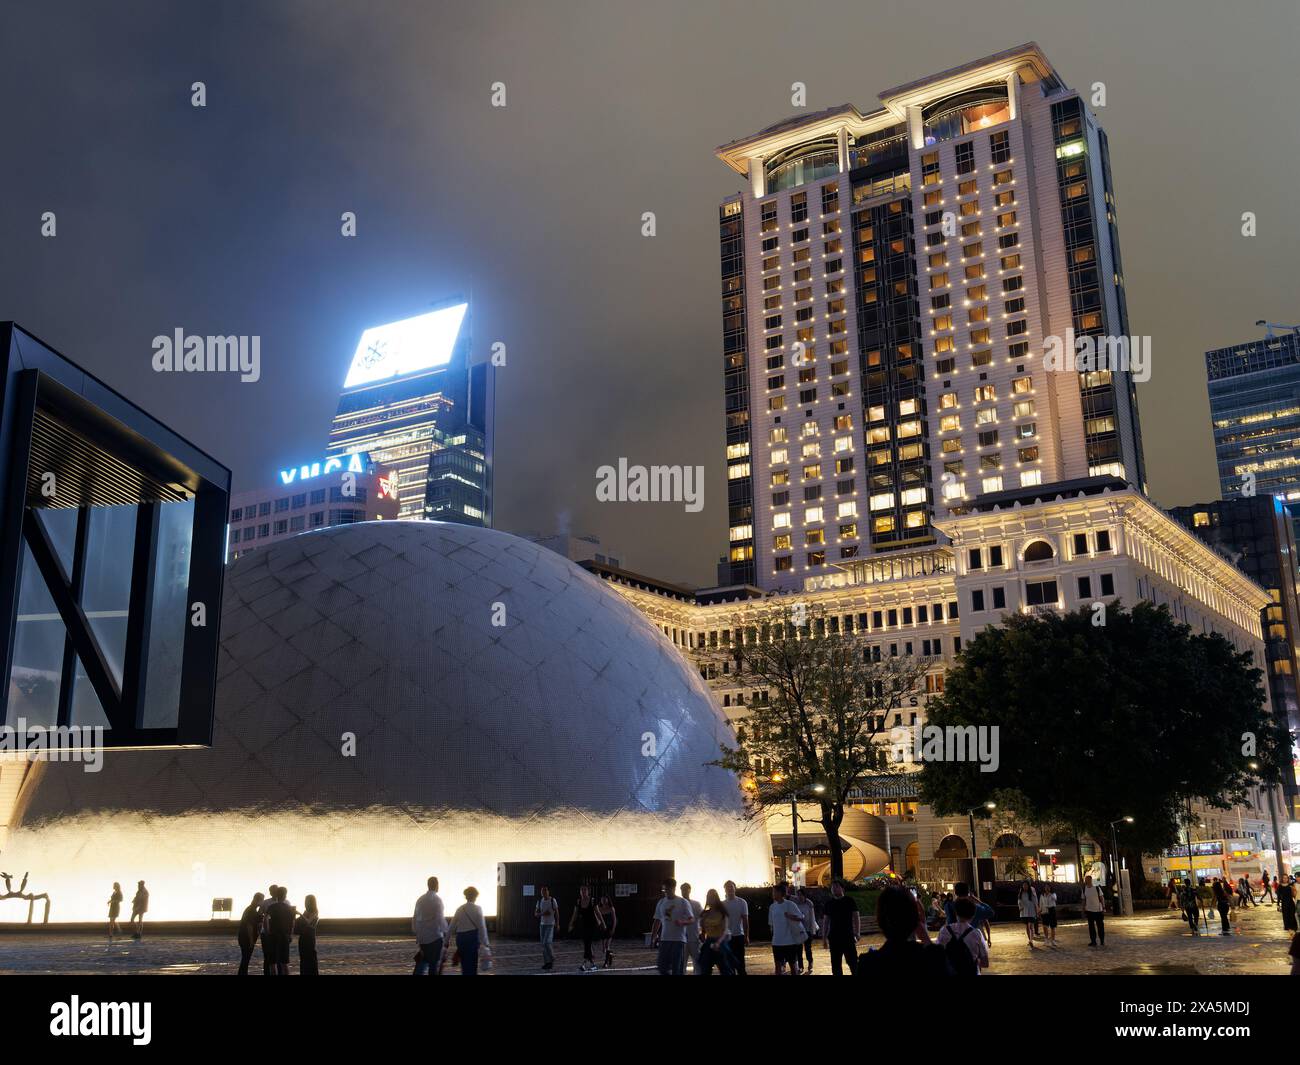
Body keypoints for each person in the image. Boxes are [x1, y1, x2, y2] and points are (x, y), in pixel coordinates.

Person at [855, 886, 952, 978]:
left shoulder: (868, 964)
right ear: (914, 919)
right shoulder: (933, 958)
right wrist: (926, 939)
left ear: (880, 920)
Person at [936, 897, 989, 975]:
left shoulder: (944, 930)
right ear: (973, 915)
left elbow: (937, 957)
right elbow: (985, 963)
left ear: (956, 913)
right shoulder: (977, 934)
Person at [651, 878, 693, 975]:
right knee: (662, 967)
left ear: (674, 888)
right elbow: (657, 920)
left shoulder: (683, 902)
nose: (666, 892)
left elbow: (692, 919)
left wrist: (682, 922)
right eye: (664, 890)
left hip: (678, 940)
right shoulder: (661, 902)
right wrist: (653, 938)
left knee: (676, 968)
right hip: (664, 939)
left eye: (668, 889)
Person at [449, 886, 491, 975]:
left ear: (466, 896)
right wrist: (486, 944)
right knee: (472, 964)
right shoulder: (478, 909)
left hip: (460, 939)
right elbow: (482, 928)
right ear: (475, 896)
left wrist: (446, 942)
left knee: (464, 964)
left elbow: (451, 926)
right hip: (472, 939)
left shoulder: (460, 909)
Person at [767, 883, 807, 976]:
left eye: (774, 892)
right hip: (776, 942)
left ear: (781, 893)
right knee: (777, 966)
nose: (773, 894)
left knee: (793, 965)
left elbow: (801, 917)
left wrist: (790, 916)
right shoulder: (772, 907)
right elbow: (771, 924)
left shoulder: (790, 904)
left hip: (790, 941)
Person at [822, 880, 860, 976]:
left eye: (836, 886)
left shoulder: (849, 901)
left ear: (842, 888)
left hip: (848, 936)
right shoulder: (829, 904)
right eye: (832, 887)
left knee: (853, 963)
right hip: (834, 938)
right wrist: (824, 938)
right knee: (836, 965)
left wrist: (857, 932)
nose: (834, 889)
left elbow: (856, 917)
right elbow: (826, 921)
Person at [412, 876, 447, 975]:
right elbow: (440, 919)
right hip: (435, 937)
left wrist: (417, 934)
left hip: (423, 938)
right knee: (433, 965)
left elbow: (415, 918)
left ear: (428, 885)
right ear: (436, 885)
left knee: (422, 962)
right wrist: (446, 932)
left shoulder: (420, 900)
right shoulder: (437, 900)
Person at [696, 889, 733, 975]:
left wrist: (718, 943)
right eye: (708, 898)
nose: (710, 900)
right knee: (705, 968)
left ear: (716, 899)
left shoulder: (722, 913)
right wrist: (702, 935)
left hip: (720, 942)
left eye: (712, 898)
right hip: (709, 942)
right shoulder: (705, 914)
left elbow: (725, 931)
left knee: (725, 969)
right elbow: (703, 930)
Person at [569, 884, 603, 972]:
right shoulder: (578, 901)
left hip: (592, 925)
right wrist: (571, 924)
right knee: (586, 944)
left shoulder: (592, 901)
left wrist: (603, 923)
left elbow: (598, 913)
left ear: (588, 891)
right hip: (583, 926)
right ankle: (592, 964)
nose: (583, 892)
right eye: (581, 890)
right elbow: (575, 913)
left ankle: (584, 964)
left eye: (585, 890)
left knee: (587, 944)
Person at [265, 886, 296, 975]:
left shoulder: (271, 907)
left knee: (272, 963)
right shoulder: (289, 908)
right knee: (284, 963)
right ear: (285, 895)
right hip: (285, 936)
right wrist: (290, 935)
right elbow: (293, 923)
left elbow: (265, 920)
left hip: (273, 936)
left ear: (276, 895)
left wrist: (267, 932)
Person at [721, 881, 750, 976]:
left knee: (740, 962)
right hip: (727, 937)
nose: (729, 889)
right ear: (724, 889)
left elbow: (745, 920)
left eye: (731, 887)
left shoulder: (742, 902)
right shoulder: (722, 904)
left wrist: (746, 936)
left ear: (734, 888)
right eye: (727, 887)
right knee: (729, 963)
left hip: (739, 935)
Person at [237, 892, 264, 976]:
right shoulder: (251, 910)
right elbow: (249, 926)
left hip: (244, 937)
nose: (262, 902)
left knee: (245, 959)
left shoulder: (251, 909)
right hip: (246, 938)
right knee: (246, 959)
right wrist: (251, 940)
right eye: (262, 900)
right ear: (258, 900)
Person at [795, 887, 819, 974]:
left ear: (805, 896)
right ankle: (800, 966)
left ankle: (810, 962)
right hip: (799, 929)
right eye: (798, 895)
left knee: (808, 948)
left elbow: (812, 918)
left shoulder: (809, 904)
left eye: (801, 895)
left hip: (808, 929)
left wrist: (813, 930)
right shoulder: (796, 905)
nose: (799, 897)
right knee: (798, 949)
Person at [680, 883, 703, 974]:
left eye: (686, 889)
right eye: (683, 889)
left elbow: (703, 918)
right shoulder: (678, 903)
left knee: (697, 964)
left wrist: (703, 932)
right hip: (682, 939)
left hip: (694, 938)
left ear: (690, 890)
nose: (684, 891)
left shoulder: (696, 904)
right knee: (682, 965)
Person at [534, 886, 558, 971]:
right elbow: (536, 912)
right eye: (542, 891)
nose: (543, 893)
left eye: (545, 891)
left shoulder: (552, 900)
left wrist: (557, 924)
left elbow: (556, 912)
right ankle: (547, 963)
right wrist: (541, 914)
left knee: (547, 942)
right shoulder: (540, 901)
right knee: (543, 944)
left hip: (550, 924)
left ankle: (552, 957)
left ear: (548, 892)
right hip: (542, 924)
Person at [296, 894, 319, 974]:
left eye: (307, 901)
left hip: (310, 937)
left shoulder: (315, 911)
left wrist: (300, 914)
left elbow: (308, 922)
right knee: (303, 958)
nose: (305, 903)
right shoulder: (306, 911)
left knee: (310, 957)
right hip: (303, 936)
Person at [1082, 874, 1106, 947]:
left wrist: (1103, 907)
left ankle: (1102, 940)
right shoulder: (1084, 889)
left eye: (1088, 879)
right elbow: (1083, 899)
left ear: (1091, 880)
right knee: (1091, 927)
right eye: (1086, 880)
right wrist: (1083, 908)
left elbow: (1101, 898)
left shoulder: (1096, 888)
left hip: (1098, 909)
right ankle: (1093, 941)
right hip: (1089, 910)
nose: (1086, 881)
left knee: (1100, 926)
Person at [259, 886, 277, 975]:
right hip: (266, 933)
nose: (273, 892)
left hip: (274, 933)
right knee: (267, 956)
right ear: (270, 892)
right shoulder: (265, 902)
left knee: (273, 956)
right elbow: (259, 915)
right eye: (272, 891)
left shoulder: (285, 902)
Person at [596, 895, 617, 969]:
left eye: (605, 899)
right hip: (602, 929)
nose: (604, 901)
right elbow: (597, 919)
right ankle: (610, 955)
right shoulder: (598, 908)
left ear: (608, 900)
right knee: (603, 949)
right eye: (602, 899)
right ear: (601, 900)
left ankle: (606, 963)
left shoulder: (611, 908)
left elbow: (614, 920)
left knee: (607, 945)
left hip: (610, 928)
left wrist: (613, 929)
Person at [1016, 881, 1038, 947]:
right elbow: (1019, 901)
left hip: (1031, 911)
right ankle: (1030, 940)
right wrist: (1020, 907)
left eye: (1026, 885)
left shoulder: (1031, 892)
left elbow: (1035, 901)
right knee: (1027, 926)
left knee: (1031, 925)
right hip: (1024, 912)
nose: (1025, 886)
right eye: (1024, 885)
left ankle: (1031, 940)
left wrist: (1037, 909)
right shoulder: (1021, 893)